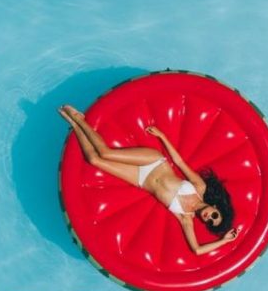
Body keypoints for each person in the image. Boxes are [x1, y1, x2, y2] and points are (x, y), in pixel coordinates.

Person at [58, 105, 238, 257]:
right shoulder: (199, 187)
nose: (209, 217)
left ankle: (74, 125)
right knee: (106, 153)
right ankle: (80, 119)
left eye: (209, 222)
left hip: (141, 179)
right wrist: (162, 136)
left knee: (94, 160)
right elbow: (179, 162)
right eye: (215, 215)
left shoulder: (186, 218)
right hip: (154, 162)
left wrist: (223, 241)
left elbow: (197, 250)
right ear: (215, 207)